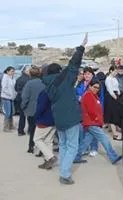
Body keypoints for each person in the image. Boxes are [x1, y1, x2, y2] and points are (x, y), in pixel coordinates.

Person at [43, 33, 88, 185]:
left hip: (59, 119)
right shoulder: (64, 80)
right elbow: (73, 64)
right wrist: (81, 47)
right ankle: (65, 174)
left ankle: (64, 169)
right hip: (70, 118)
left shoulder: (47, 85)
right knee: (72, 146)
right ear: (58, 72)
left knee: (63, 145)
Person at [80, 79, 122, 164]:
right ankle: (113, 156)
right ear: (90, 86)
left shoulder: (92, 95)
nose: (96, 89)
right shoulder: (88, 95)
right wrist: (97, 120)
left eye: (98, 88)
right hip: (92, 122)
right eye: (95, 87)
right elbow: (91, 111)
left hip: (92, 122)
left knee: (86, 141)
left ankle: (76, 156)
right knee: (104, 138)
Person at [21, 66, 45, 153]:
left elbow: (25, 97)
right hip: (42, 109)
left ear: (30, 74)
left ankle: (31, 146)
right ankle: (41, 149)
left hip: (31, 110)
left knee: (32, 129)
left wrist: (23, 107)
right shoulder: (43, 83)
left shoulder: (29, 84)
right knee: (41, 130)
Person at [34, 88, 57, 170]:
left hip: (44, 120)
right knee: (48, 141)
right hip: (54, 119)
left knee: (37, 139)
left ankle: (50, 157)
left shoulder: (45, 92)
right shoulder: (56, 91)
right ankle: (48, 162)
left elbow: (40, 107)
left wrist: (36, 117)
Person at [15, 65, 31, 136]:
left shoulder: (18, 79)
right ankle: (30, 130)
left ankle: (20, 130)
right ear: (26, 71)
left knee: (22, 116)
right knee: (30, 116)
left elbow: (15, 88)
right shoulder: (29, 80)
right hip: (27, 99)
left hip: (19, 98)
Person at [1, 66, 16, 132]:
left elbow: (13, 88)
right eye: (12, 71)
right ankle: (6, 127)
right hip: (6, 97)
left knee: (12, 112)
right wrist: (10, 94)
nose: (13, 72)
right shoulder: (5, 77)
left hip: (11, 97)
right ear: (7, 71)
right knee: (8, 112)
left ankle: (11, 125)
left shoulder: (12, 78)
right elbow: (4, 88)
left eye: (13, 71)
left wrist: (14, 94)